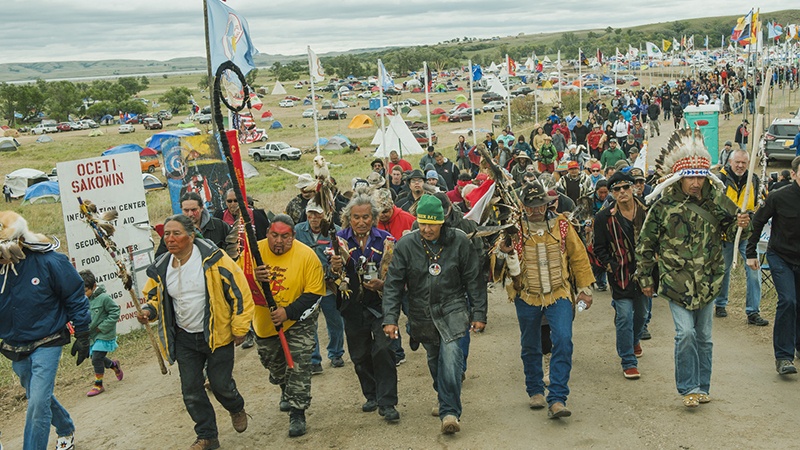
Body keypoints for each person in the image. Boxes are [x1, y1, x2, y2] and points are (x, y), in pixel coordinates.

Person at [636, 128, 749, 408]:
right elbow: (646, 244)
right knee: (685, 333)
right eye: (690, 177)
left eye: (700, 176)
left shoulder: (717, 201)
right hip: (676, 283)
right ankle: (688, 387)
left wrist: (743, 225)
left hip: (709, 281)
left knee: (705, 338)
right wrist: (644, 278)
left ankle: (702, 386)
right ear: (680, 179)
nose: (696, 182)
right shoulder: (662, 207)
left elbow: (734, 229)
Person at [139, 214, 254, 450]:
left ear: (191, 236)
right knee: (191, 390)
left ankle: (235, 406)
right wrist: (148, 311)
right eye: (166, 234)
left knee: (220, 385)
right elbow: (153, 296)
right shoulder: (162, 266)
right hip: (184, 338)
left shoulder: (215, 259)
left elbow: (240, 293)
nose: (170, 239)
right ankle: (207, 435)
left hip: (217, 335)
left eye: (176, 233)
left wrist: (240, 327)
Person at [383, 195, 487, 434]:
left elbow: (474, 279)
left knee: (451, 357)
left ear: (442, 221)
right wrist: (390, 318)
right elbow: (393, 284)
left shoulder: (460, 242)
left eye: (432, 224)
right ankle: (443, 394)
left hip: (453, 308)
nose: (427, 229)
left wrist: (479, 313)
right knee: (434, 359)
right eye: (422, 223)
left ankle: (450, 412)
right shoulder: (406, 245)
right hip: (422, 312)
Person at [495, 181, 594, 419]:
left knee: (563, 339)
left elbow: (578, 256)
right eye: (531, 206)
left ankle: (558, 397)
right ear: (523, 206)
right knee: (530, 345)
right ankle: (535, 390)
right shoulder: (513, 229)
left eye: (540, 205)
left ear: (547, 204)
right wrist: (503, 252)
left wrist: (585, 288)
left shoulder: (562, 225)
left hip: (558, 293)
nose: (536, 210)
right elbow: (496, 266)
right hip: (527, 296)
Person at [0, 211, 90, 450]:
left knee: (37, 402)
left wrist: (83, 333)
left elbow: (74, 296)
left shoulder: (49, 261)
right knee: (38, 394)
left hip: (48, 338)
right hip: (14, 343)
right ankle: (65, 427)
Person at [330, 194, 400, 422]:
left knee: (383, 350)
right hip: (352, 306)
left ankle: (388, 403)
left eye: (366, 217)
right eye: (356, 217)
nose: (361, 222)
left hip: (381, 305)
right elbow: (329, 277)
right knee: (359, 355)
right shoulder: (338, 241)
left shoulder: (386, 240)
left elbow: (399, 276)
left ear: (374, 218)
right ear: (348, 218)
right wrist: (333, 267)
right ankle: (372, 395)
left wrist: (383, 284)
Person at [747, 156, 800, 375]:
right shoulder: (779, 197)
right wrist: (751, 253)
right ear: (794, 174)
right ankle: (783, 357)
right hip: (781, 256)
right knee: (788, 300)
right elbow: (757, 222)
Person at [593, 172, 649, 379]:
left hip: (646, 275)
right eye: (617, 189)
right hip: (620, 276)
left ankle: (634, 340)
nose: (622, 192)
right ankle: (628, 361)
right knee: (624, 315)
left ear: (633, 187)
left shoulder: (647, 210)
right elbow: (598, 247)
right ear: (612, 193)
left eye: (625, 187)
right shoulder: (604, 217)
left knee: (642, 315)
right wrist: (611, 265)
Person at [713, 149, 767, 325]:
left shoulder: (754, 179)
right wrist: (732, 218)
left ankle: (753, 311)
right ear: (730, 162)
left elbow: (759, 205)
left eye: (744, 162)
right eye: (737, 162)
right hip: (725, 233)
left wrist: (750, 217)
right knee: (724, 269)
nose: (740, 165)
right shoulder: (720, 180)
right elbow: (715, 205)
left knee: (754, 271)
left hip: (747, 234)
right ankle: (720, 304)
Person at [293, 201, 346, 374]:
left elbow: (344, 257)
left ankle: (336, 353)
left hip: (329, 285)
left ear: (325, 214)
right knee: (309, 322)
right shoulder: (298, 231)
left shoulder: (335, 231)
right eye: (311, 214)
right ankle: (314, 359)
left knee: (335, 320)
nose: (314, 218)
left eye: (318, 214)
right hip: (307, 286)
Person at [80, 270, 123, 397]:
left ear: (94, 286)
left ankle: (98, 384)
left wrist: (102, 327)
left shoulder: (104, 298)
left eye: (86, 290)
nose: (84, 294)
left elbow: (115, 312)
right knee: (96, 357)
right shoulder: (83, 300)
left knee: (96, 358)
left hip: (104, 334)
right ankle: (114, 365)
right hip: (92, 335)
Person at [155, 192, 237, 259]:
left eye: (194, 210)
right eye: (186, 210)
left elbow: (234, 249)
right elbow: (160, 259)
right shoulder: (173, 231)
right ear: (181, 209)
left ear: (201, 208)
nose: (190, 214)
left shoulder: (219, 226)